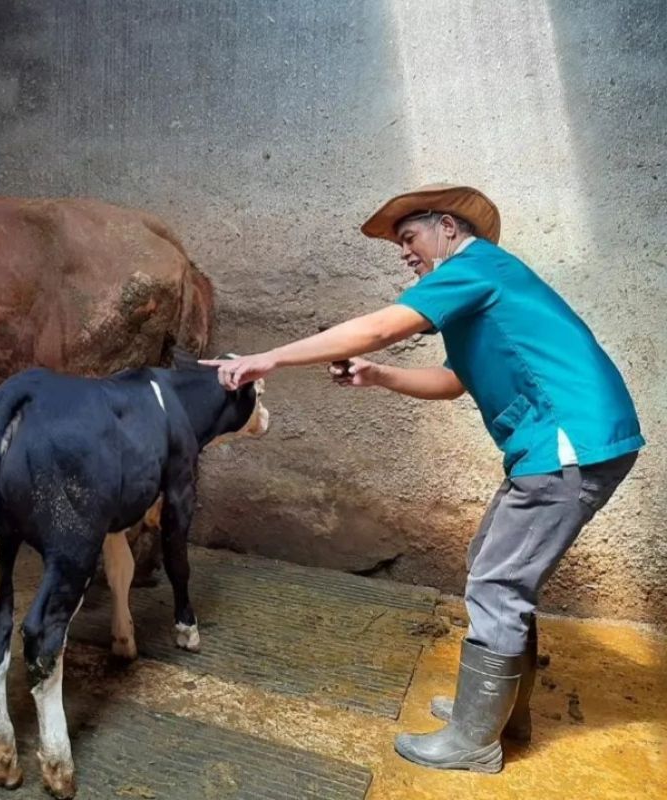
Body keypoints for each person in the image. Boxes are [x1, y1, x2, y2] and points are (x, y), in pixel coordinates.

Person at [203, 183, 643, 773]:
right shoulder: (480, 286)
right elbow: (454, 381)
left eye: (409, 237)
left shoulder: (476, 266)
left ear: (449, 227)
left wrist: (270, 357)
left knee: (498, 584)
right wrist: (380, 377)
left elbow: (382, 324)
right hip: (562, 442)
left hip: (567, 442)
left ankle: (473, 741)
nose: (405, 252)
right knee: (491, 559)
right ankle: (499, 711)